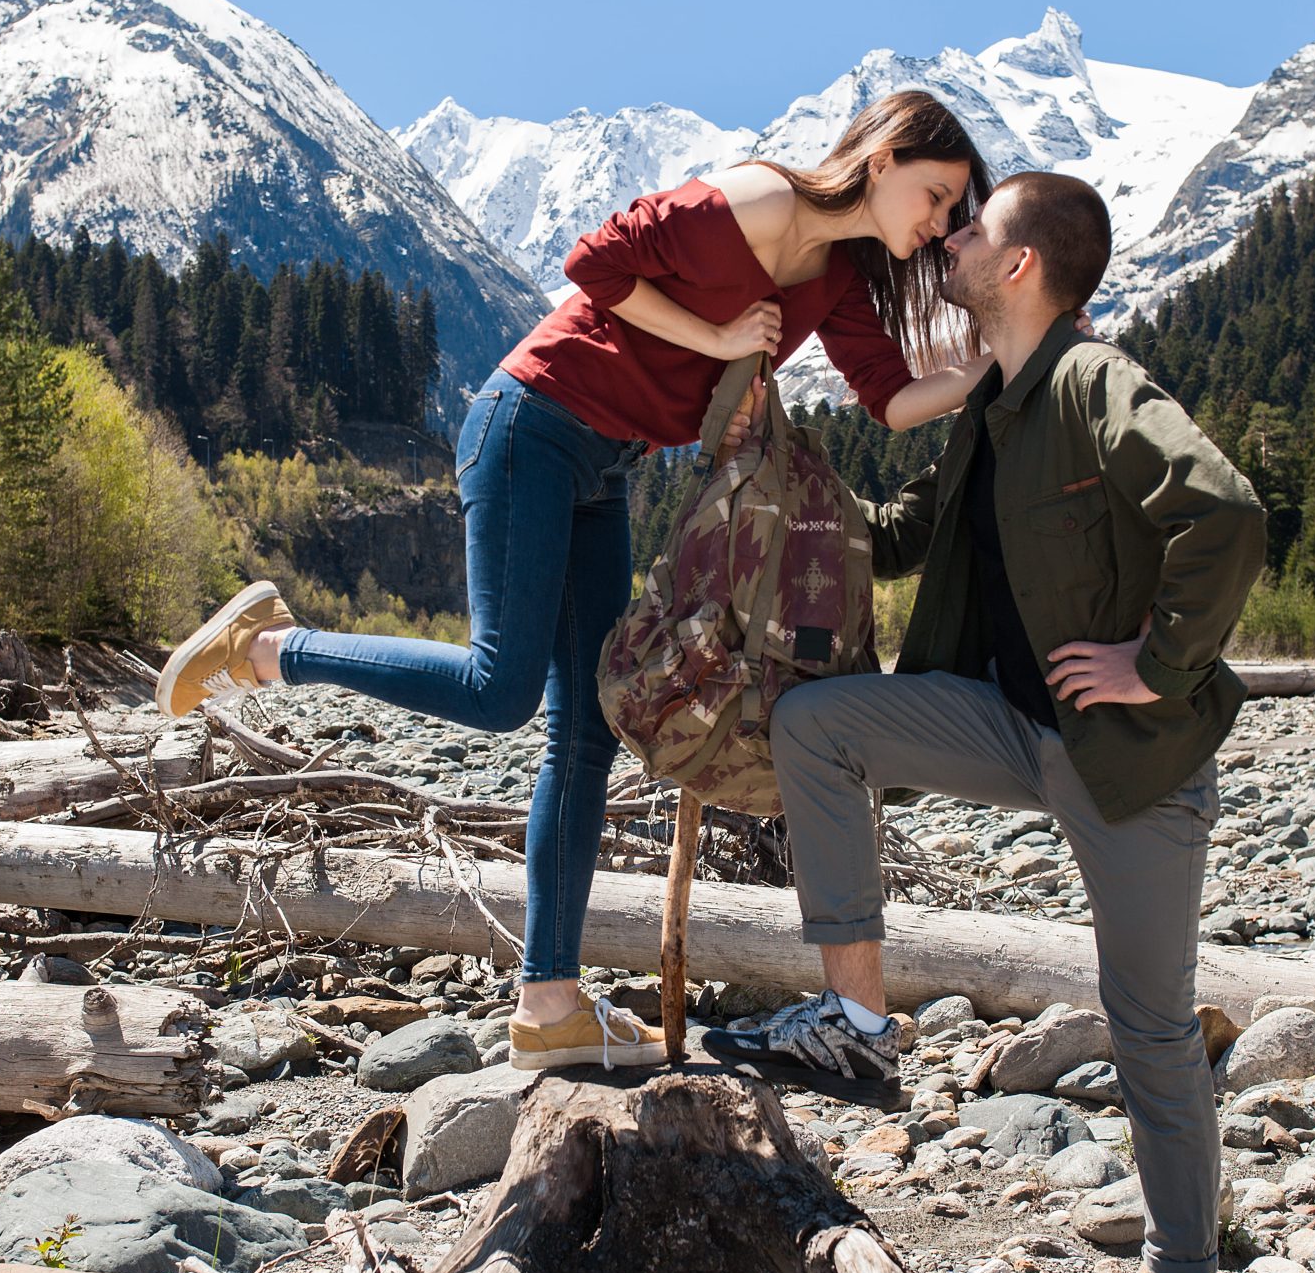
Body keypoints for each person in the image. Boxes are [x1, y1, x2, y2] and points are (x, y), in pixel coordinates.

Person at [155, 92, 994, 1072]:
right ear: (886, 155)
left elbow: (890, 402)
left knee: (586, 728)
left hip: (604, 464)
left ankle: (548, 1002)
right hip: (532, 426)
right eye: (935, 196)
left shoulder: (843, 277)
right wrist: (720, 341)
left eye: (949, 214)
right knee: (497, 687)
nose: (934, 224)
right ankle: (267, 648)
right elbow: (595, 266)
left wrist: (996, 362)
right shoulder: (759, 201)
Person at [701, 171, 1267, 1273]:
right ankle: (854, 1014)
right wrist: (782, 480)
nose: (949, 244)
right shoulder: (993, 405)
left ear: (1018, 268)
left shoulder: (1093, 380)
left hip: (1131, 758)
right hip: (1012, 727)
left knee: (1151, 1030)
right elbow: (899, 539)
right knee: (820, 724)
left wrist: (1154, 665)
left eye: (971, 231)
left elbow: (1224, 513)